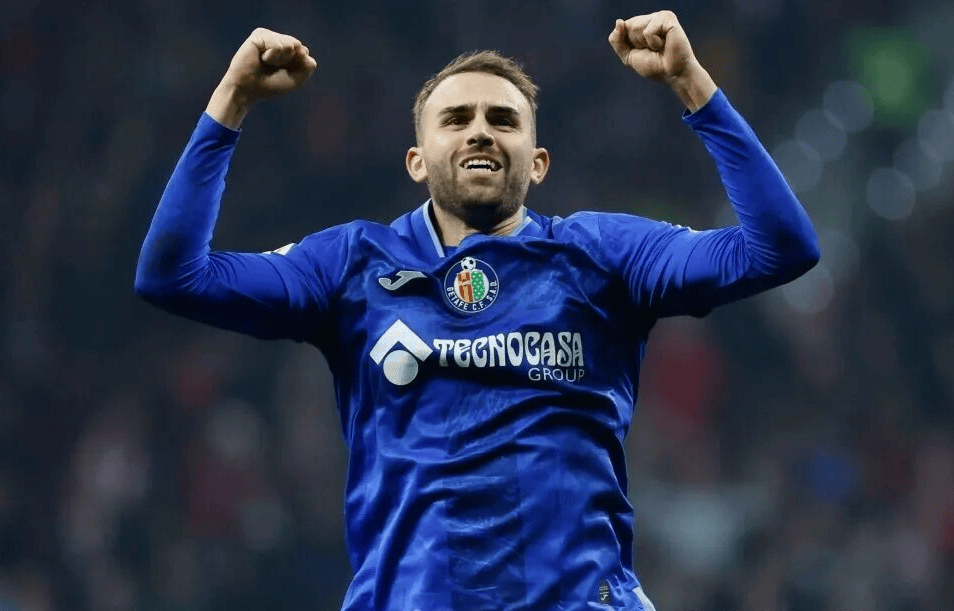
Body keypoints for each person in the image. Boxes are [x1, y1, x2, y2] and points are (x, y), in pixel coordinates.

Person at [136, 11, 819, 611]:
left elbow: (780, 247)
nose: (481, 132)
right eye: (456, 119)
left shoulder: (602, 254)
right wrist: (232, 101)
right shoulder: (349, 264)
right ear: (416, 160)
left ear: (539, 162)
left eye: (504, 120)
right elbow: (173, 275)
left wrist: (692, 85)